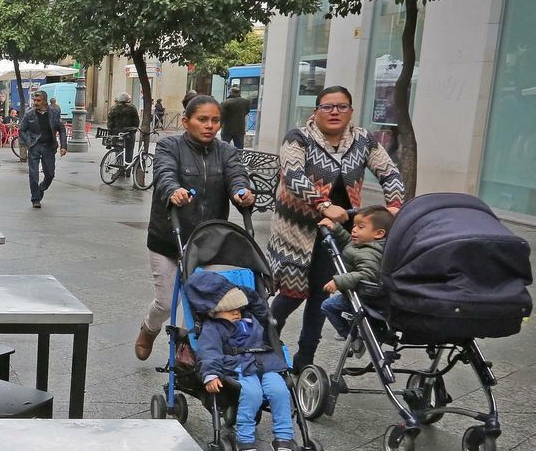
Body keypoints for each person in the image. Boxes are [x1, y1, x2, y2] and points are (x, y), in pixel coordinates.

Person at [267, 86, 405, 369]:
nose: (334, 112)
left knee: (321, 294)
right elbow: (293, 174)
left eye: (341, 107)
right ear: (315, 111)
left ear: (351, 112)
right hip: (296, 232)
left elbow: (389, 173)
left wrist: (394, 207)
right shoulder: (298, 138)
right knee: (291, 295)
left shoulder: (364, 140)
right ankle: (264, 346)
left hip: (340, 233)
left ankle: (305, 358)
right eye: (327, 107)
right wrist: (323, 204)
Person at [136, 95, 256, 361]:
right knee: (167, 302)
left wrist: (242, 192)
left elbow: (238, 176)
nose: (210, 126)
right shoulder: (169, 146)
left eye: (215, 120)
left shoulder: (226, 152)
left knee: (202, 301)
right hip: (169, 238)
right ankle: (150, 327)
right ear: (186, 121)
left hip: (208, 242)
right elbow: (164, 173)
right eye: (202, 120)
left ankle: (184, 347)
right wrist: (173, 190)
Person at [186, 270, 296, 451]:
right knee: (252, 393)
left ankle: (284, 437)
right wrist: (210, 374)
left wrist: (236, 291)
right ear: (214, 311)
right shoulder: (213, 327)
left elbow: (261, 308)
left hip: (265, 362)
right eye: (230, 310)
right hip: (237, 365)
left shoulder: (251, 317)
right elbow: (208, 352)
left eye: (238, 307)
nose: (236, 312)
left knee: (280, 390)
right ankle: (245, 440)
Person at [319, 204, 393, 342]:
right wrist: (335, 228)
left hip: (364, 297)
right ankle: (356, 331)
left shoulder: (370, 253)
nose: (354, 230)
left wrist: (338, 281)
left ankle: (349, 336)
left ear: (379, 233)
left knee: (327, 306)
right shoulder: (365, 244)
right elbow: (348, 243)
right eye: (354, 226)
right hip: (363, 294)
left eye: (361, 227)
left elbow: (367, 274)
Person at [18, 89, 67, 209]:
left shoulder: (54, 113)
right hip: (35, 146)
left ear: (45, 101)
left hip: (49, 146)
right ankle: (35, 199)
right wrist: (29, 142)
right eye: (35, 100)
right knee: (33, 174)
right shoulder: (30, 114)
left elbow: (61, 129)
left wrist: (63, 146)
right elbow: (21, 130)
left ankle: (41, 189)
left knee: (50, 174)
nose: (36, 103)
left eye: (39, 100)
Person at [106, 92, 140, 162]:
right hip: (129, 132)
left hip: (117, 133)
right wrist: (134, 129)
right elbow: (136, 121)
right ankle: (128, 168)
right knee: (129, 150)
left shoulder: (113, 108)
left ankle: (119, 166)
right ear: (127, 99)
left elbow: (110, 122)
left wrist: (110, 132)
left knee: (118, 150)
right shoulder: (132, 108)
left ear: (118, 99)